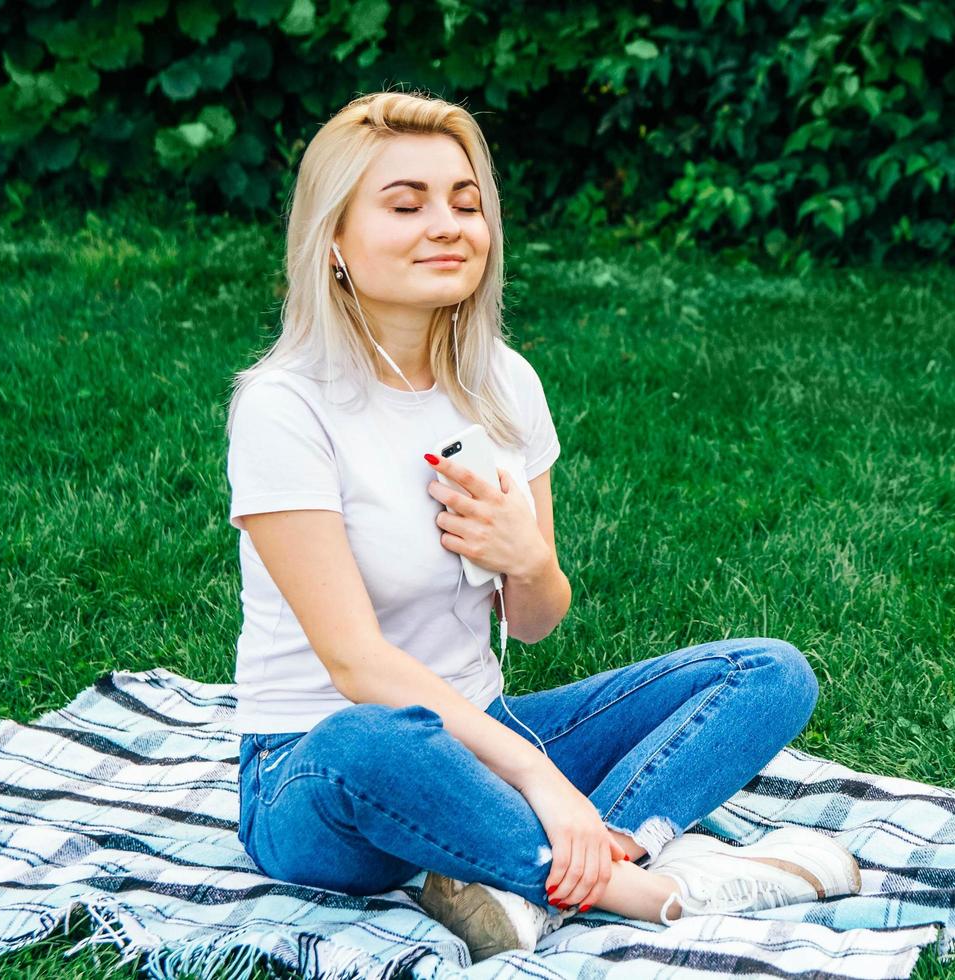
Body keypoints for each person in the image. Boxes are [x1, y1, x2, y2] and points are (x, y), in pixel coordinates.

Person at [223, 89, 861, 962]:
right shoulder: (285, 407)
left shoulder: (502, 382)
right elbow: (357, 665)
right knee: (370, 741)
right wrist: (542, 781)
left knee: (767, 673)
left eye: (466, 202)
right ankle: (652, 889)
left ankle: (554, 875)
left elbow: (534, 620)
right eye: (406, 205)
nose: (447, 225)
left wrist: (528, 560)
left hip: (485, 729)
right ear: (332, 240)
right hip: (315, 771)